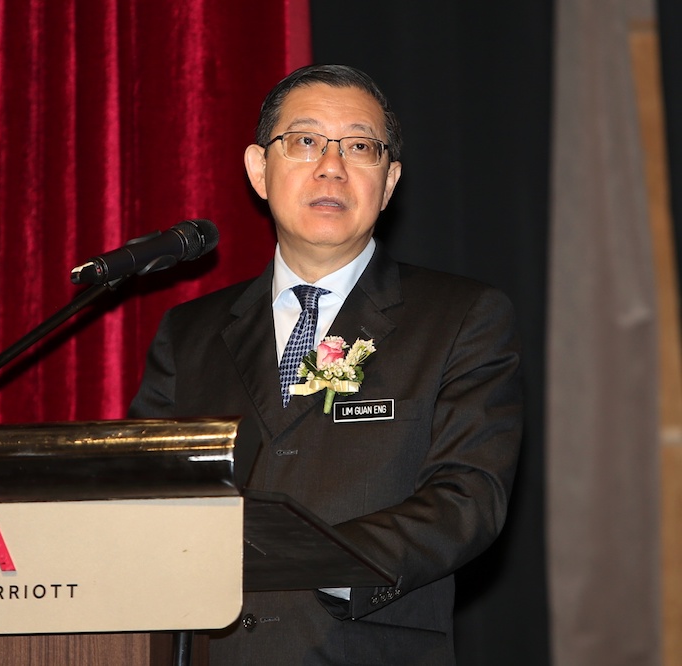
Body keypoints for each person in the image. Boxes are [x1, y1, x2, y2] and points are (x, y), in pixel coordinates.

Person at [129, 64, 522, 665]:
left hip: (363, 644)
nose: (331, 166)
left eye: (359, 147)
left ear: (389, 183)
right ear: (259, 170)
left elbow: (470, 496)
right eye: (305, 141)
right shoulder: (191, 333)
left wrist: (326, 559)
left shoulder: (461, 317)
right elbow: (146, 493)